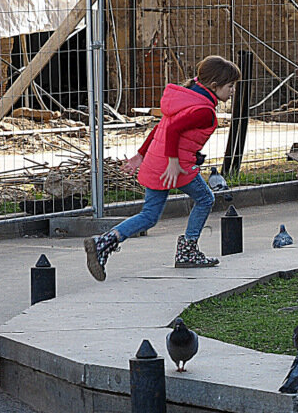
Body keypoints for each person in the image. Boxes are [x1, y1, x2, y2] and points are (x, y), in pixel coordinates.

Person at [84, 55, 241, 281]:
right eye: (230, 86)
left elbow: (162, 127)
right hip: (174, 166)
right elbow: (172, 130)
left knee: (149, 216)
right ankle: (188, 250)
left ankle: (104, 242)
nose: (233, 91)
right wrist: (173, 162)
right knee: (205, 199)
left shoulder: (186, 97)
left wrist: (141, 154)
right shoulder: (204, 111)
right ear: (214, 86)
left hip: (157, 162)